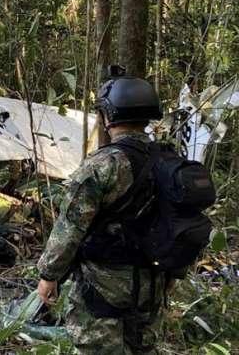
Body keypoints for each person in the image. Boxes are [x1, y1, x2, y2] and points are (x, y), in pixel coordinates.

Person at [35, 69, 175, 354]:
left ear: (108, 116)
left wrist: (49, 275)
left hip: (102, 287)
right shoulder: (170, 161)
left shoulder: (103, 165)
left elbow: (70, 227)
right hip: (153, 284)